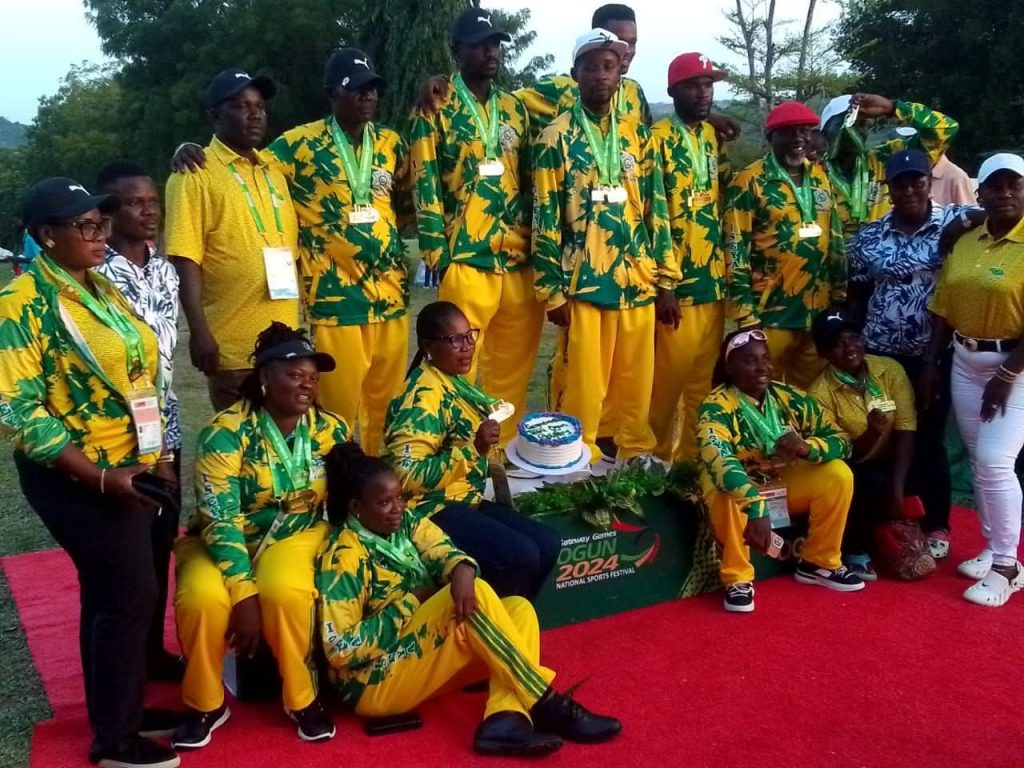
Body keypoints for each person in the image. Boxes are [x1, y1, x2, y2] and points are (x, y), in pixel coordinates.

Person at [0, 179, 179, 768]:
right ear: (45, 236)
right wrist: (99, 478)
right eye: (84, 226)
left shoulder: (98, 286)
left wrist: (158, 453)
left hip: (131, 464)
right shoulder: (21, 303)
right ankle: (115, 742)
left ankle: (118, 711)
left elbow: (138, 374)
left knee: (113, 593)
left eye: (100, 222)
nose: (100, 234)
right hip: (77, 477)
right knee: (128, 594)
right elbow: (15, 408)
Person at [172, 51, 411, 454]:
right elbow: (189, 247)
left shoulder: (388, 144)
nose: (367, 95)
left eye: (373, 87)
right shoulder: (292, 148)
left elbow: (405, 199)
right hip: (326, 305)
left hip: (381, 301)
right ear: (331, 94)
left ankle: (375, 480)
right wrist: (186, 147)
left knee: (376, 412)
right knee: (314, 421)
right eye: (356, 88)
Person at [317, 442, 621, 757]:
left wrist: (461, 567)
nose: (397, 508)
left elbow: (441, 548)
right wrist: (411, 602)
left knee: (519, 608)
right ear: (356, 507)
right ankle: (546, 701)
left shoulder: (404, 521)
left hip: (415, 657)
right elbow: (341, 650)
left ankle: (505, 717)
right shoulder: (343, 557)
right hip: (371, 685)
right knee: (477, 595)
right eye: (384, 502)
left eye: (400, 498)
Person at [172, 323, 348, 748]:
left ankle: (302, 698)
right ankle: (204, 703)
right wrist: (243, 595)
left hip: (297, 534)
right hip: (224, 539)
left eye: (313, 377)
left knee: (286, 591)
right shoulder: (225, 432)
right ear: (265, 377)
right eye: (294, 375)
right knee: (201, 599)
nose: (307, 385)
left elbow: (352, 495)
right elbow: (220, 519)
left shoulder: (331, 429)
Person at [533, 28, 676, 467]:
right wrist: (551, 291)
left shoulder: (639, 138)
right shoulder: (554, 138)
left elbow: (657, 212)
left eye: (609, 67)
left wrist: (666, 280)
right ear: (575, 73)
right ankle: (578, 460)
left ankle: (635, 456)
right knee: (584, 385)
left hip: (637, 281)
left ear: (620, 74)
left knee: (636, 384)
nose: (600, 75)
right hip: (585, 284)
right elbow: (545, 217)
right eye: (591, 67)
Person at [409, 9, 543, 449]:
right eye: (480, 44)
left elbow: (530, 178)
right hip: (466, 257)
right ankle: (461, 451)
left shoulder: (515, 108)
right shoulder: (435, 106)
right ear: (457, 50)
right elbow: (424, 180)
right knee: (458, 365)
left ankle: (504, 450)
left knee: (513, 366)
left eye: (496, 44)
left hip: (517, 259)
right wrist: (437, 254)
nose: (491, 52)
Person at [848, 149, 984, 558]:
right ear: (889, 189)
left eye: (916, 181)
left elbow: (999, 210)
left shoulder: (955, 220)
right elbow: (858, 292)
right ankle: (891, 518)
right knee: (883, 434)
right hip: (880, 355)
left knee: (928, 437)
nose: (908, 190)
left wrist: (963, 222)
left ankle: (937, 522)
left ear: (929, 183)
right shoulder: (871, 235)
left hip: (932, 354)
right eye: (900, 183)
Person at [384, 301, 560, 600]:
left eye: (469, 336)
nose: (467, 347)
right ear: (428, 346)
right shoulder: (421, 399)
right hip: (429, 509)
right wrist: (473, 449)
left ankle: (512, 617)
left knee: (548, 543)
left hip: (465, 498)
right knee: (522, 555)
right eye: (454, 340)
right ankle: (485, 620)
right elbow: (405, 476)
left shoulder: (451, 381)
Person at [94, 160, 184, 682]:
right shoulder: (96, 276)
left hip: (166, 425)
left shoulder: (165, 270)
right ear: (109, 211)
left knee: (160, 544)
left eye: (153, 202)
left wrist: (167, 445)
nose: (149, 211)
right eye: (135, 203)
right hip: (120, 436)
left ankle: (150, 652)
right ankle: (124, 666)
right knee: (126, 561)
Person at [697, 329, 864, 613]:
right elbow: (720, 461)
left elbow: (842, 440)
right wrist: (756, 506)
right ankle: (738, 578)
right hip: (744, 489)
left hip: (780, 480)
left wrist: (808, 447)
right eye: (750, 360)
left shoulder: (789, 397)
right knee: (723, 488)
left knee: (838, 474)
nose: (762, 367)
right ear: (729, 367)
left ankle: (818, 562)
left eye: (765, 358)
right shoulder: (716, 406)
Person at [165, 68, 300, 411]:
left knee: (284, 433)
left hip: (284, 342)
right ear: (214, 115)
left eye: (260, 106)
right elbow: (184, 258)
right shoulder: (194, 173)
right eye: (241, 106)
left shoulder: (273, 170)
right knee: (240, 437)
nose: (255, 114)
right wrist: (199, 332)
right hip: (234, 347)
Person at [922, 153, 1024, 607]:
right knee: (981, 462)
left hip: (1015, 366)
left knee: (996, 460)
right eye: (995, 187)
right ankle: (993, 546)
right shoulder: (966, 239)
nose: (1005, 194)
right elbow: (944, 306)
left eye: (1014, 186)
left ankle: (1007, 565)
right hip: (965, 360)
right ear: (979, 194)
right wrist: (932, 363)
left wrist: (1007, 373)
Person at [648, 52, 733, 464]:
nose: (704, 93)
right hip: (676, 289)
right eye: (694, 86)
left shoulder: (710, 138)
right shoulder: (656, 138)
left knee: (703, 387)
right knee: (663, 390)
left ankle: (694, 468)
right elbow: (653, 214)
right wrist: (665, 285)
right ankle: (653, 466)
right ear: (673, 91)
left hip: (712, 285)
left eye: (708, 85)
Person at [725, 100, 845, 390]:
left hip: (817, 311)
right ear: (771, 137)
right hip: (770, 313)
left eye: (804, 131)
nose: (798, 138)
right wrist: (746, 315)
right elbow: (735, 248)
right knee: (766, 389)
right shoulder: (749, 181)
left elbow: (835, 238)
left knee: (809, 392)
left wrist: (840, 293)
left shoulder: (820, 177)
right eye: (789, 132)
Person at [808, 309, 932, 580]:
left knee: (927, 456)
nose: (849, 348)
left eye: (853, 338)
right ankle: (856, 548)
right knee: (862, 481)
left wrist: (898, 491)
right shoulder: (819, 394)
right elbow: (844, 454)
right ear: (823, 353)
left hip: (892, 457)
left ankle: (931, 530)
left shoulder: (889, 369)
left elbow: (906, 426)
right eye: (837, 344)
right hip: (857, 463)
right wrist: (872, 433)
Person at [818, 93, 958, 239]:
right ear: (825, 132)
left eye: (864, 124)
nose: (857, 131)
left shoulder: (889, 158)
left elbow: (945, 129)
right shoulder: (813, 172)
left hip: (886, 250)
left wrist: (892, 108)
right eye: (849, 124)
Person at [515, 4, 651, 139]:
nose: (628, 50)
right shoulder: (559, 89)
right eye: (620, 41)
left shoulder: (634, 91)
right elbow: (508, 103)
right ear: (597, 38)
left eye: (632, 43)